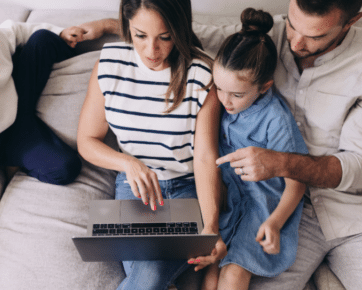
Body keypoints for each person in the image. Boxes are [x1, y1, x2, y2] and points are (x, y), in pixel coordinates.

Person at [191, 0, 362, 289]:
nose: (295, 42)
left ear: (351, 21)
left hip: (341, 210)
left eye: (315, 36)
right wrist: (113, 23)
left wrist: (281, 163)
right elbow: (182, 33)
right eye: (293, 24)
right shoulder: (263, 36)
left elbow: (357, 165)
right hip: (263, 206)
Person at [77, 0, 227, 289]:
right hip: (134, 191)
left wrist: (211, 228)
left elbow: (206, 158)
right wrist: (128, 163)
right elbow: (87, 141)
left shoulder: (202, 74)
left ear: (179, 30)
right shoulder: (109, 64)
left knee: (151, 273)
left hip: (186, 190)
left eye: (165, 37)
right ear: (126, 26)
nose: (151, 51)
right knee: (151, 273)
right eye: (140, 36)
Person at [199, 8, 308, 290]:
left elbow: (296, 183)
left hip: (264, 205)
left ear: (264, 87)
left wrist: (274, 223)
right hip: (229, 198)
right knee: (208, 274)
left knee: (235, 273)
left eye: (237, 94)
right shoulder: (221, 100)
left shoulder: (276, 120)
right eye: (220, 88)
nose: (226, 101)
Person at [0, 0, 106, 212]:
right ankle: (13, 162)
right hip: (1, 136)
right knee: (65, 169)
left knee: (43, 38)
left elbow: (16, 30)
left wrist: (61, 33)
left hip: (17, 98)